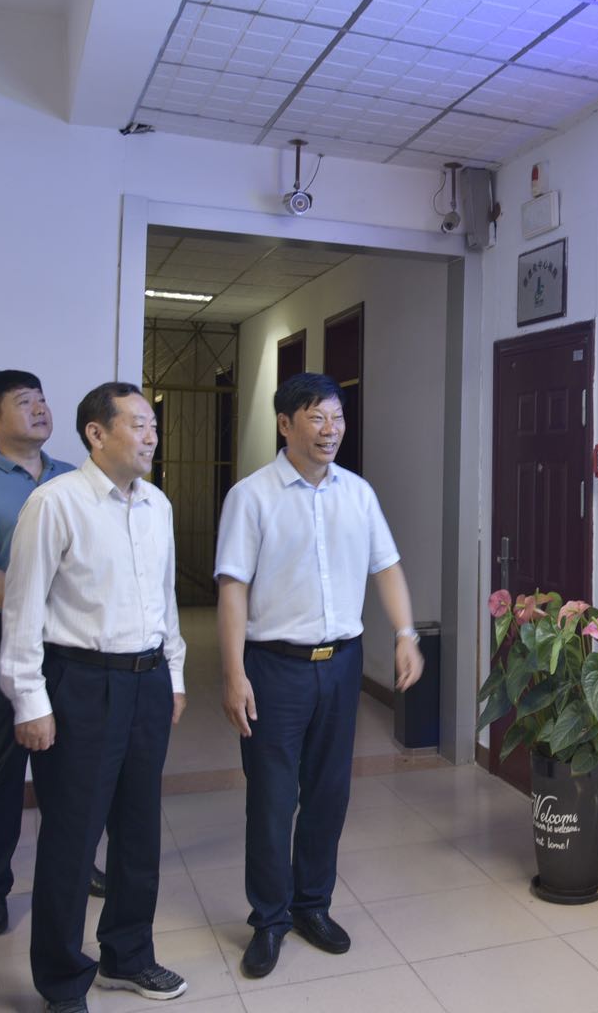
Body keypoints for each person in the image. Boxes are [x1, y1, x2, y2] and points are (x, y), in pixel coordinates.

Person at [214, 372, 423, 980]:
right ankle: (268, 919)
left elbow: (386, 566)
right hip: (273, 667)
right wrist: (232, 672)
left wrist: (405, 634)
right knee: (273, 799)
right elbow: (233, 589)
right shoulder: (251, 497)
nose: (331, 430)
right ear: (285, 424)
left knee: (329, 793)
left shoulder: (358, 493)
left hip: (341, 664)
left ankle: (313, 906)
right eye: (316, 417)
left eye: (337, 417)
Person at [0, 383, 188, 1012]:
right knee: (73, 839)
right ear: (96, 433)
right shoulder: (55, 503)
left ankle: (127, 956)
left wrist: (174, 675)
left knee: (139, 831)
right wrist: (29, 701)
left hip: (147, 681)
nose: (151, 436)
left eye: (154, 425)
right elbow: (23, 608)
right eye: (138, 424)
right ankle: (61, 982)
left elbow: (164, 598)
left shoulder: (157, 504)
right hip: (79, 683)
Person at [0, 371, 91, 938]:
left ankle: (76, 864)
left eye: (42, 399)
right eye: (24, 402)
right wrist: (46, 617)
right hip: (2, 632)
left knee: (71, 764)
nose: (40, 409)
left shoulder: (73, 477)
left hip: (71, 643)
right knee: (5, 764)